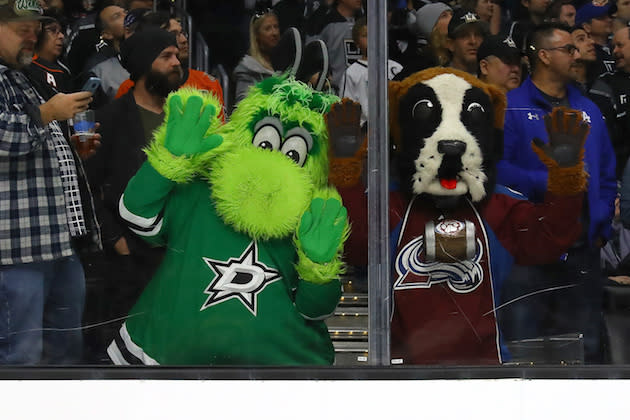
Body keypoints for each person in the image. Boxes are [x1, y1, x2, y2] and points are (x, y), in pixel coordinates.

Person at [496, 22, 617, 363]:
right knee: (524, 346)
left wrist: (601, 225)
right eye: (568, 49)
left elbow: (607, 172)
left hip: (582, 250)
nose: (577, 54)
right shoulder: (511, 107)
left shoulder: (589, 109)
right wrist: (551, 182)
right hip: (527, 252)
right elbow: (497, 169)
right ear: (544, 56)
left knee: (587, 347)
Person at [0, 0, 100, 364]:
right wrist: (46, 113)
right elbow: (6, 138)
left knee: (65, 354)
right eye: (20, 29)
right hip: (15, 247)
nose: (31, 37)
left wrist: (73, 150)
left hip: (57, 239)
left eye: (34, 29)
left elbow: (40, 139)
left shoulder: (19, 75)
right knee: (19, 356)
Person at [84, 28, 182, 361]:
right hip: (130, 262)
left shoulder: (184, 120)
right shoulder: (109, 120)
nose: (176, 61)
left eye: (175, 54)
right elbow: (86, 186)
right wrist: (115, 239)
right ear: (143, 65)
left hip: (177, 254)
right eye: (165, 56)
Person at [114, 12, 225, 118]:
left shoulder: (207, 83)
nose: (184, 40)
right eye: (173, 34)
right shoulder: (129, 88)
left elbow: (220, 132)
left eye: (183, 33)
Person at [569, 24, 619, 176]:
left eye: (589, 38)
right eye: (581, 39)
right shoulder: (560, 90)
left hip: (604, 172)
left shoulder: (604, 88)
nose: (590, 42)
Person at [341, 17, 402, 126]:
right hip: (365, 131)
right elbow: (346, 108)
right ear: (357, 43)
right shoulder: (352, 72)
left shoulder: (396, 68)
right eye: (365, 36)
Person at [306, 0, 363, 93]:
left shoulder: (369, 21)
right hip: (334, 92)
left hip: (364, 89)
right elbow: (311, 57)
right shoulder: (322, 23)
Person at [233, 9, 280, 106]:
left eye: (276, 27)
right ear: (257, 36)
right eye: (268, 29)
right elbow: (242, 106)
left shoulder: (287, 63)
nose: (274, 33)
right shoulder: (247, 70)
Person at [82, 1, 129, 101]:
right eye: (117, 16)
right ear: (107, 34)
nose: (127, 16)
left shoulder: (151, 53)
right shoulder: (98, 70)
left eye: (126, 12)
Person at [602, 26, 630, 178]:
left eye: (620, 45)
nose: (615, 52)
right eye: (613, 47)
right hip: (621, 173)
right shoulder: (606, 84)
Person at [24, 12, 72, 99]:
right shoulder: (25, 69)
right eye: (53, 30)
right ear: (37, 33)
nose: (61, 36)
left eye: (61, 31)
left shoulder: (64, 67)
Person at [575, 0, 615, 75]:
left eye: (609, 16)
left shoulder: (617, 45)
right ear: (587, 27)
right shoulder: (587, 53)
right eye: (601, 18)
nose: (609, 20)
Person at [446, 9, 487, 75]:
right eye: (464, 35)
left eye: (477, 34)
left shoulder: (494, 80)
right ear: (451, 44)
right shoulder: (437, 81)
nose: (473, 41)